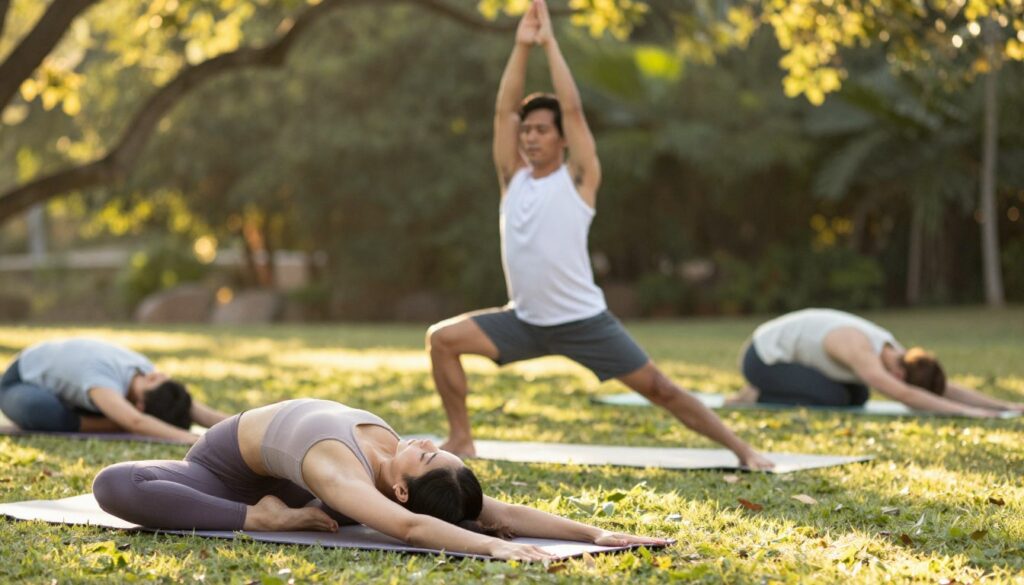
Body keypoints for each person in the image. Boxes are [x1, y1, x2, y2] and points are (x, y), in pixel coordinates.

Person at [425, 0, 773, 470]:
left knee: (661, 389)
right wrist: (520, 46)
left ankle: (743, 450)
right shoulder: (514, 178)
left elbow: (572, 107)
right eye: (526, 131)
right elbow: (503, 109)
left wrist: (549, 43)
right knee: (442, 339)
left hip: (583, 321)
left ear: (562, 138)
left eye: (541, 131)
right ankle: (461, 439)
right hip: (523, 322)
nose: (529, 137)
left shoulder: (577, 179)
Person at [93, 399, 666, 561]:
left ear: (398, 489)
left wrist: (500, 548)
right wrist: (592, 532)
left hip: (277, 490)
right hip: (213, 472)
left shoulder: (348, 479)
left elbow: (418, 527)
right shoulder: (384, 458)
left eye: (426, 460)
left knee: (113, 486)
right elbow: (502, 514)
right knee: (115, 485)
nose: (425, 446)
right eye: (434, 451)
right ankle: (262, 514)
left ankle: (266, 515)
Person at [729, 308, 1024, 416]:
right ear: (898, 374)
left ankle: (769, 390)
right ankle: (755, 394)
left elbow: (942, 389)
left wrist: (1002, 406)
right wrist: (965, 413)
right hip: (762, 358)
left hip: (795, 358)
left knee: (857, 396)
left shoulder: (898, 354)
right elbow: (907, 394)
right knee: (833, 398)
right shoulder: (861, 350)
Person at [0, 338, 228, 443]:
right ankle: (106, 417)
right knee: (42, 409)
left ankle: (107, 412)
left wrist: (250, 423)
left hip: (69, 384)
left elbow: (196, 409)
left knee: (110, 408)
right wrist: (191, 439)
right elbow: (135, 423)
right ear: (139, 407)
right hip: (18, 380)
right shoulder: (103, 379)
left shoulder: (149, 377)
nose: (156, 375)